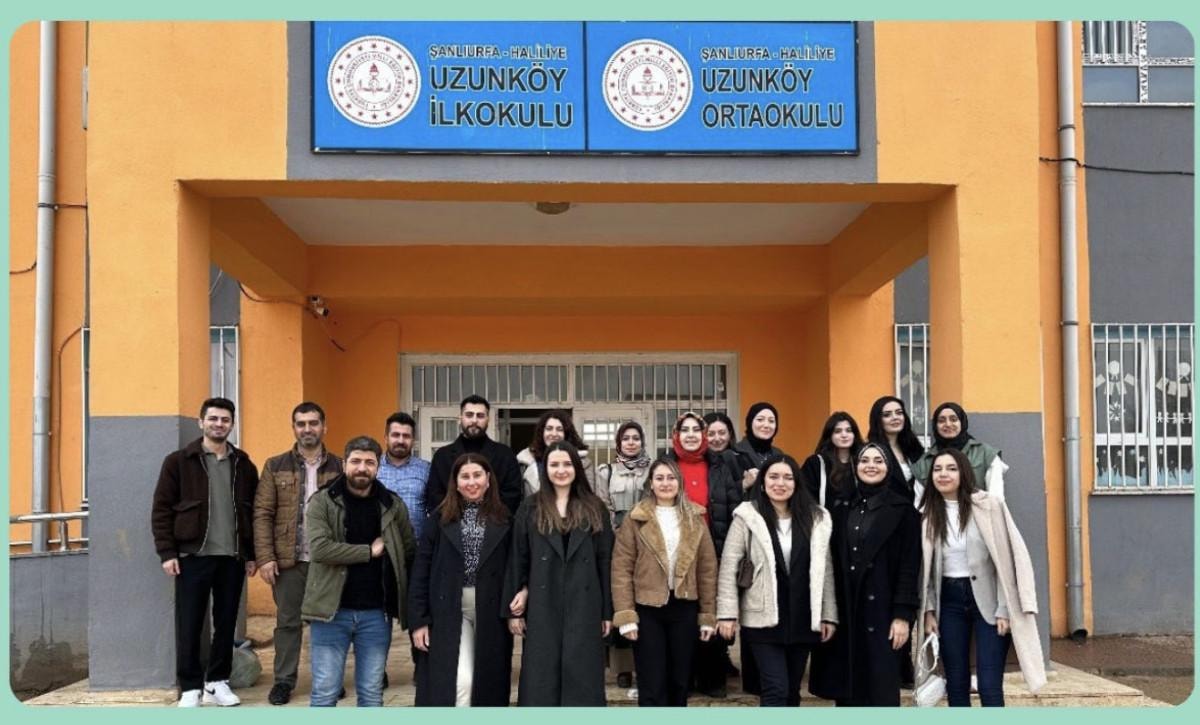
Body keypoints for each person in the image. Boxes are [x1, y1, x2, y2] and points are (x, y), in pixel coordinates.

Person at [914, 449, 1045, 706]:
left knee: (989, 683)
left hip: (989, 600)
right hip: (948, 601)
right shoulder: (927, 514)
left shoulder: (988, 506)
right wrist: (928, 610)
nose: (943, 474)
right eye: (937, 469)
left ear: (963, 472)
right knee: (956, 681)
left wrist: (1005, 608)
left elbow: (1006, 559)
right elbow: (925, 568)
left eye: (951, 468)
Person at [152, 397, 259, 708]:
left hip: (232, 558)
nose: (218, 424)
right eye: (213, 418)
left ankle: (217, 681)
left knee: (226, 622)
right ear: (201, 422)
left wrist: (251, 554)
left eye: (225, 420)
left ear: (232, 424)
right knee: (190, 623)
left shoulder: (244, 464)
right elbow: (161, 509)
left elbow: (253, 513)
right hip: (192, 556)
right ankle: (190, 686)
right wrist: (167, 552)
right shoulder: (178, 462)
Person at [301, 436, 416, 707]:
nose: (362, 468)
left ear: (378, 467)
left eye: (369, 462)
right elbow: (320, 549)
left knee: (372, 694)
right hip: (330, 612)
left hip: (376, 614)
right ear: (344, 464)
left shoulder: (392, 504)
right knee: (325, 693)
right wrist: (367, 552)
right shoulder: (322, 501)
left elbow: (409, 550)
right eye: (356, 461)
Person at [717, 455, 838, 707]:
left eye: (787, 477)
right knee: (775, 688)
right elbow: (729, 566)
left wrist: (828, 615)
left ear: (797, 483)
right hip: (762, 617)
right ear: (762, 483)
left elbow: (824, 570)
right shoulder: (747, 516)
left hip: (803, 616)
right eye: (773, 477)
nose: (780, 483)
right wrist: (727, 614)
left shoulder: (816, 518)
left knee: (792, 691)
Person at [808, 443, 921, 707]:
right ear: (855, 466)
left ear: (889, 467)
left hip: (883, 614)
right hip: (846, 612)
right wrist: (827, 612)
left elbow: (909, 567)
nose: (871, 466)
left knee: (880, 692)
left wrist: (903, 616)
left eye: (878, 461)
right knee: (847, 693)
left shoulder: (904, 511)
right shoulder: (839, 507)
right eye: (864, 460)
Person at [505, 441, 614, 706]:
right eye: (554, 464)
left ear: (576, 468)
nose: (561, 470)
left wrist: (606, 612)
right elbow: (518, 557)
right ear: (545, 469)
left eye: (567, 464)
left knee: (582, 675)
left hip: (585, 603)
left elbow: (605, 561)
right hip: (542, 602)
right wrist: (516, 603)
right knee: (541, 676)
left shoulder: (595, 507)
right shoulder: (530, 507)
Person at [253, 401, 344, 705]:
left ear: (324, 427)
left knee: (329, 621)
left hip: (327, 560)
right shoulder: (275, 465)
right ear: (293, 428)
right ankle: (283, 681)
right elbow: (263, 513)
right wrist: (266, 557)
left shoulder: (340, 467)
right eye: (301, 423)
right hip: (288, 560)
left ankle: (328, 679)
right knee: (288, 623)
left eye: (313, 423)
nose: (307, 429)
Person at [611, 458, 718, 706]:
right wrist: (626, 615)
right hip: (647, 608)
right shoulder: (635, 518)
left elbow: (707, 569)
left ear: (679, 483)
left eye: (671, 478)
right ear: (651, 483)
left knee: (680, 681)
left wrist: (707, 615)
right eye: (659, 478)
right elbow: (621, 568)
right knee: (652, 681)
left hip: (685, 607)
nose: (665, 483)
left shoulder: (695, 518)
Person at [409, 453, 514, 706]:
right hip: (450, 608)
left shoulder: (506, 519)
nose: (472, 482)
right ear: (455, 483)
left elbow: (515, 567)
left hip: (492, 610)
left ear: (488, 479)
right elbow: (421, 569)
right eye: (465, 477)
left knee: (487, 682)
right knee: (461, 681)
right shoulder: (438, 519)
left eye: (477, 475)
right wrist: (419, 621)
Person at [664, 412, 742, 699]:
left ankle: (712, 679)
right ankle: (683, 679)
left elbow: (734, 506)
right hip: (676, 553)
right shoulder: (667, 465)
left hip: (714, 550)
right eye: (684, 430)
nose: (691, 435)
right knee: (682, 616)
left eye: (696, 430)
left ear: (704, 435)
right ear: (676, 435)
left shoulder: (720, 465)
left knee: (711, 611)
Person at [594, 420, 652, 688]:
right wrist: (616, 533)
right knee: (621, 599)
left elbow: (653, 503)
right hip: (616, 540)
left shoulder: (652, 470)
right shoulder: (606, 471)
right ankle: (623, 668)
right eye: (626, 438)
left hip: (647, 540)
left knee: (644, 601)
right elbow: (602, 506)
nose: (631, 443)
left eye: (635, 438)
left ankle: (646, 663)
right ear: (618, 443)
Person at [425, 395, 523, 515]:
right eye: (469, 415)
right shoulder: (442, 456)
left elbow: (512, 496)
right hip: (451, 523)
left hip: (496, 523)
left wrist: (487, 520)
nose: (474, 420)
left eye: (480, 415)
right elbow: (435, 496)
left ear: (488, 419)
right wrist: (460, 520)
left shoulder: (505, 455)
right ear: (460, 418)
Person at [912, 402, 1009, 500]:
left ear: (962, 422)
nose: (948, 424)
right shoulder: (924, 462)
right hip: (938, 510)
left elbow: (996, 498)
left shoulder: (985, 454)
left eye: (953, 419)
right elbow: (920, 503)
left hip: (977, 509)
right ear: (935, 426)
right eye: (941, 421)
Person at [378, 412, 433, 538]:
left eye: (406, 436)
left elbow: (434, 510)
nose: (401, 440)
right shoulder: (373, 467)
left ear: (413, 440)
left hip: (417, 544)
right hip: (380, 544)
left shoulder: (426, 469)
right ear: (386, 438)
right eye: (395, 435)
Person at [516, 409, 594, 496]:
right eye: (549, 429)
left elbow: (589, 495)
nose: (554, 434)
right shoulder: (525, 463)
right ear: (542, 432)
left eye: (559, 429)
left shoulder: (584, 463)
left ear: (567, 433)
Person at [867, 396, 926, 505]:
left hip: (914, 510)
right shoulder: (871, 451)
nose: (895, 417)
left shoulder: (913, 447)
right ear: (878, 420)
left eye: (899, 413)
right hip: (886, 510)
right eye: (887, 415)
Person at [800, 412, 864, 508]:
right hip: (824, 516)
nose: (844, 435)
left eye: (849, 430)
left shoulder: (861, 462)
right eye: (838, 431)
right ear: (830, 435)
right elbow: (805, 496)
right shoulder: (816, 463)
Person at [733, 402, 785, 491]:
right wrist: (744, 484)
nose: (766, 425)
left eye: (771, 421)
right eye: (760, 420)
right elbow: (722, 492)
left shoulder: (779, 454)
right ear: (750, 422)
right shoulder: (734, 453)